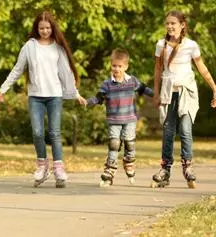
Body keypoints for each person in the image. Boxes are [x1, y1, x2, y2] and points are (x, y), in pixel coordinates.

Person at [0, 11, 86, 188]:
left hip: (54, 95)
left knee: (55, 133)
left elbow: (66, 73)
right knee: (37, 133)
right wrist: (3, 88)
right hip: (35, 96)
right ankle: (42, 166)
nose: (45, 31)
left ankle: (59, 168)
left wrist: (76, 94)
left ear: (52, 28)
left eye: (47, 28)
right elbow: (17, 69)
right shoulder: (29, 47)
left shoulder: (58, 49)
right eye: (41, 28)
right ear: (36, 29)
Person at [151, 10, 216, 188]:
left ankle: (188, 167)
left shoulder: (191, 45)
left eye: (173, 23)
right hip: (168, 93)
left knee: (186, 131)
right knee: (168, 132)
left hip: (187, 92)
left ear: (182, 25)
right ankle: (165, 170)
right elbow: (158, 70)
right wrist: (156, 93)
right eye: (168, 24)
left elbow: (201, 67)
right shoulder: (161, 45)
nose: (170, 26)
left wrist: (214, 87)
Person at [86, 49, 153, 187]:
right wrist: (88, 102)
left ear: (126, 67)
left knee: (130, 143)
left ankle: (129, 162)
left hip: (130, 119)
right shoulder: (107, 84)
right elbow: (99, 98)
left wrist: (157, 96)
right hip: (114, 120)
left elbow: (144, 89)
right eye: (114, 66)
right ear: (111, 65)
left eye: (120, 66)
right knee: (114, 144)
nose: (116, 69)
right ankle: (109, 171)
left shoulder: (132, 81)